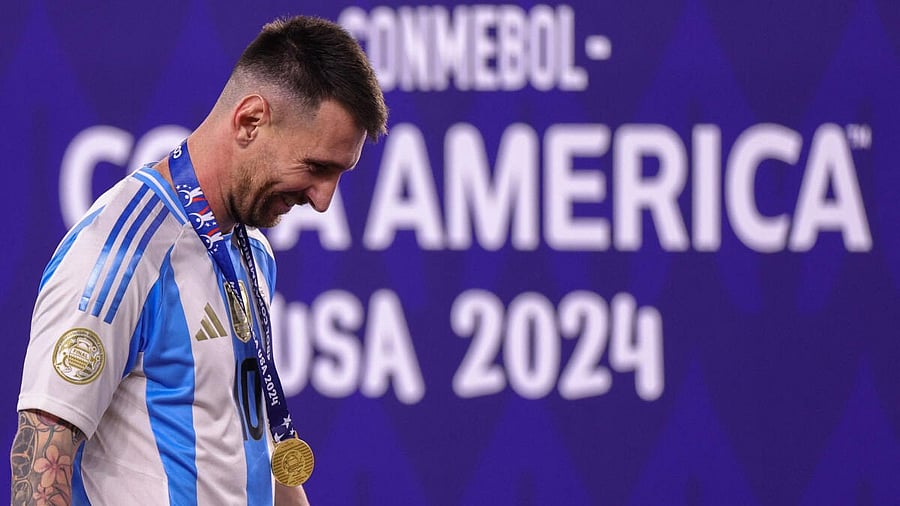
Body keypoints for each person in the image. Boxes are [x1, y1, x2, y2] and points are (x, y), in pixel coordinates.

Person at [10, 14, 387, 506]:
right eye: (316, 168)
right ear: (250, 121)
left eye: (339, 174)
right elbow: (43, 464)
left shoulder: (251, 253)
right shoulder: (119, 251)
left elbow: (252, 438)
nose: (322, 201)